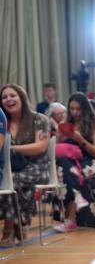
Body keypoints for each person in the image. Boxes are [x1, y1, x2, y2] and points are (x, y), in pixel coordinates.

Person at [0, 84, 50, 245]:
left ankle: (8, 229)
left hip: (37, 168)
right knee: (9, 181)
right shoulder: (3, 122)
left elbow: (40, 146)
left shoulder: (39, 119)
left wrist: (11, 148)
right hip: (13, 169)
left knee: (9, 182)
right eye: (4, 97)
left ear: (21, 96)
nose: (8, 99)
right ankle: (20, 223)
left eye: (12, 95)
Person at [53, 92, 95, 232]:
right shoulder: (67, 124)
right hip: (71, 163)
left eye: (78, 109)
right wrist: (59, 137)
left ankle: (71, 219)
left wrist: (80, 140)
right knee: (64, 164)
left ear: (85, 109)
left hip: (90, 163)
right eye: (72, 109)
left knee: (65, 169)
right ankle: (77, 200)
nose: (75, 112)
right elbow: (57, 149)